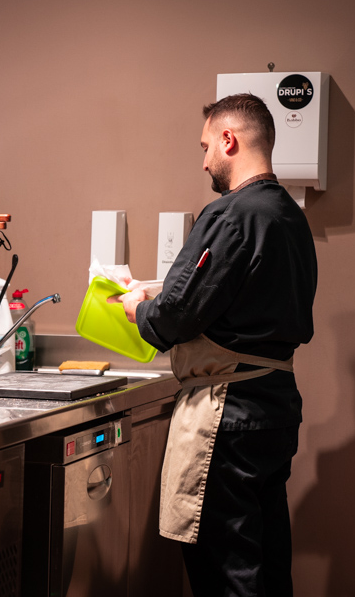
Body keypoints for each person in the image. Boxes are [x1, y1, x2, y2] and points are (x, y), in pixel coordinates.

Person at [116, 93, 317, 596]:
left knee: (227, 574)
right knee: (267, 565)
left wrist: (138, 307)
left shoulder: (231, 214)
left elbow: (172, 318)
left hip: (229, 417)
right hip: (274, 408)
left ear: (229, 139)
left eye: (206, 146)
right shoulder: (290, 219)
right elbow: (234, 296)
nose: (204, 160)